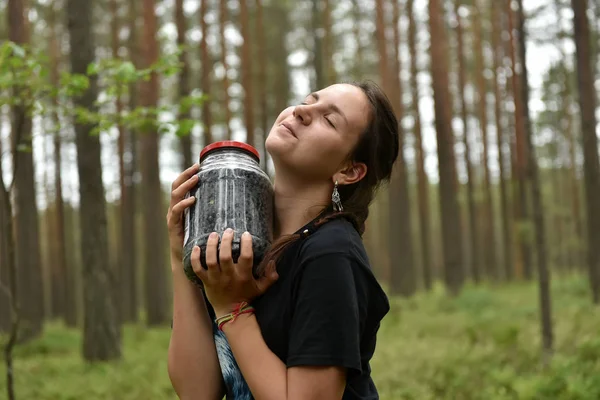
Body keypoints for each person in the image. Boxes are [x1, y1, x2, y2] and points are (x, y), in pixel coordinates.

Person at [167, 81, 399, 400]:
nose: (302, 112)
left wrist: (233, 309)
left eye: (329, 119)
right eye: (306, 102)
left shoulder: (330, 252)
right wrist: (179, 252)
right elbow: (197, 392)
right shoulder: (238, 238)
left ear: (349, 171)